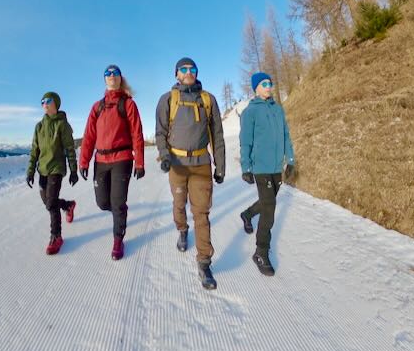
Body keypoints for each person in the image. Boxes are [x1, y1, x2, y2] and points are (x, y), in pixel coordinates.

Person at [155, 57, 225, 290]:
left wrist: (220, 165)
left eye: (192, 68)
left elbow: (217, 135)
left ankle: (204, 262)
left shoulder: (208, 100)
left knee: (202, 212)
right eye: (183, 69)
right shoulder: (168, 99)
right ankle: (182, 230)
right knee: (178, 203)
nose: (188, 72)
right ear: (176, 74)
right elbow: (160, 133)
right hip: (177, 163)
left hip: (201, 164)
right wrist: (165, 156)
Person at [79, 64, 146, 260]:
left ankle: (118, 238)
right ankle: (120, 211)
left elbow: (137, 134)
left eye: (115, 73)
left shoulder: (128, 104)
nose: (111, 76)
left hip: (122, 159)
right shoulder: (97, 107)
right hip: (100, 160)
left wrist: (140, 162)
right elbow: (89, 136)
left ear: (120, 78)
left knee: (117, 202)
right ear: (104, 79)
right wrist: (84, 162)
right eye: (107, 74)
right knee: (102, 202)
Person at [238, 72, 295, 276]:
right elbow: (246, 141)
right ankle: (261, 252)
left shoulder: (278, 109)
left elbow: (286, 135)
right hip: (261, 167)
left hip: (275, 167)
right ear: (256, 88)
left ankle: (247, 214)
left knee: (267, 201)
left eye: (270, 83)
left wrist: (290, 159)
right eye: (264, 84)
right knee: (269, 209)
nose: (269, 86)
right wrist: (246, 167)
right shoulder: (250, 112)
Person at [26, 91, 79, 255]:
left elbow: (70, 148)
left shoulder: (62, 125)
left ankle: (56, 237)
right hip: (42, 169)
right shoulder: (39, 126)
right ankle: (68, 205)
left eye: (47, 100)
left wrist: (73, 170)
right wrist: (30, 170)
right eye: (42, 101)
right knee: (49, 201)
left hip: (56, 168)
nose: (44, 103)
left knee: (50, 204)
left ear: (55, 103)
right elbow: (34, 150)